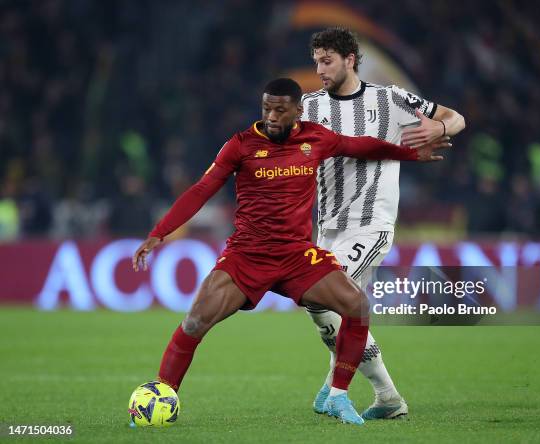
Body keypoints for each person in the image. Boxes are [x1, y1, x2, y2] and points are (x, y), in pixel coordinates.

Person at [132, 78, 450, 425]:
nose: (271, 116)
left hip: (297, 255)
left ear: (298, 111)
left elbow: (363, 146)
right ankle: (162, 396)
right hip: (247, 255)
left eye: (280, 110)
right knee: (194, 322)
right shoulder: (241, 145)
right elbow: (201, 189)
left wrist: (409, 154)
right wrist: (159, 233)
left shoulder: (316, 138)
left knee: (356, 305)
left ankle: (339, 396)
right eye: (266, 108)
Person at [302, 27, 466, 420]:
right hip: (327, 227)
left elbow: (455, 117)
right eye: (316, 62)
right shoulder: (308, 106)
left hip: (371, 224)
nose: (320, 69)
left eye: (327, 61)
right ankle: (351, 389)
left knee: (322, 295)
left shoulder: (389, 99)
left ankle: (382, 393)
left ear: (350, 59)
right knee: (328, 306)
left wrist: (439, 128)